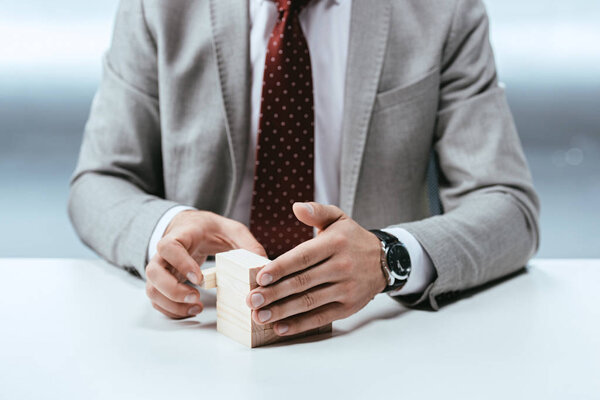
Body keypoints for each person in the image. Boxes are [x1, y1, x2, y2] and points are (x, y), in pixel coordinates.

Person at [69, 0, 540, 336]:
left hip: (375, 334)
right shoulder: (155, 7)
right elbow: (99, 181)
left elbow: (508, 206)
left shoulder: (444, 11)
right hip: (204, 329)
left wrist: (386, 257)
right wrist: (168, 228)